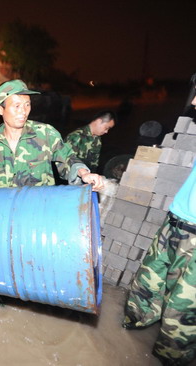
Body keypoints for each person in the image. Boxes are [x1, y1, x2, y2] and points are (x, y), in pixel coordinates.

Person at [123, 93, 196, 366]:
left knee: (181, 315)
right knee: (144, 287)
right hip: (174, 222)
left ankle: (169, 359)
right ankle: (129, 333)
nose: (195, 100)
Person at [0, 80, 104, 191]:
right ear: (0, 110)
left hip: (37, 215)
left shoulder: (45, 134)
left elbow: (68, 159)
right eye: (16, 106)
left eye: (27, 105)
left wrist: (84, 173)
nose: (23, 112)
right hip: (3, 216)